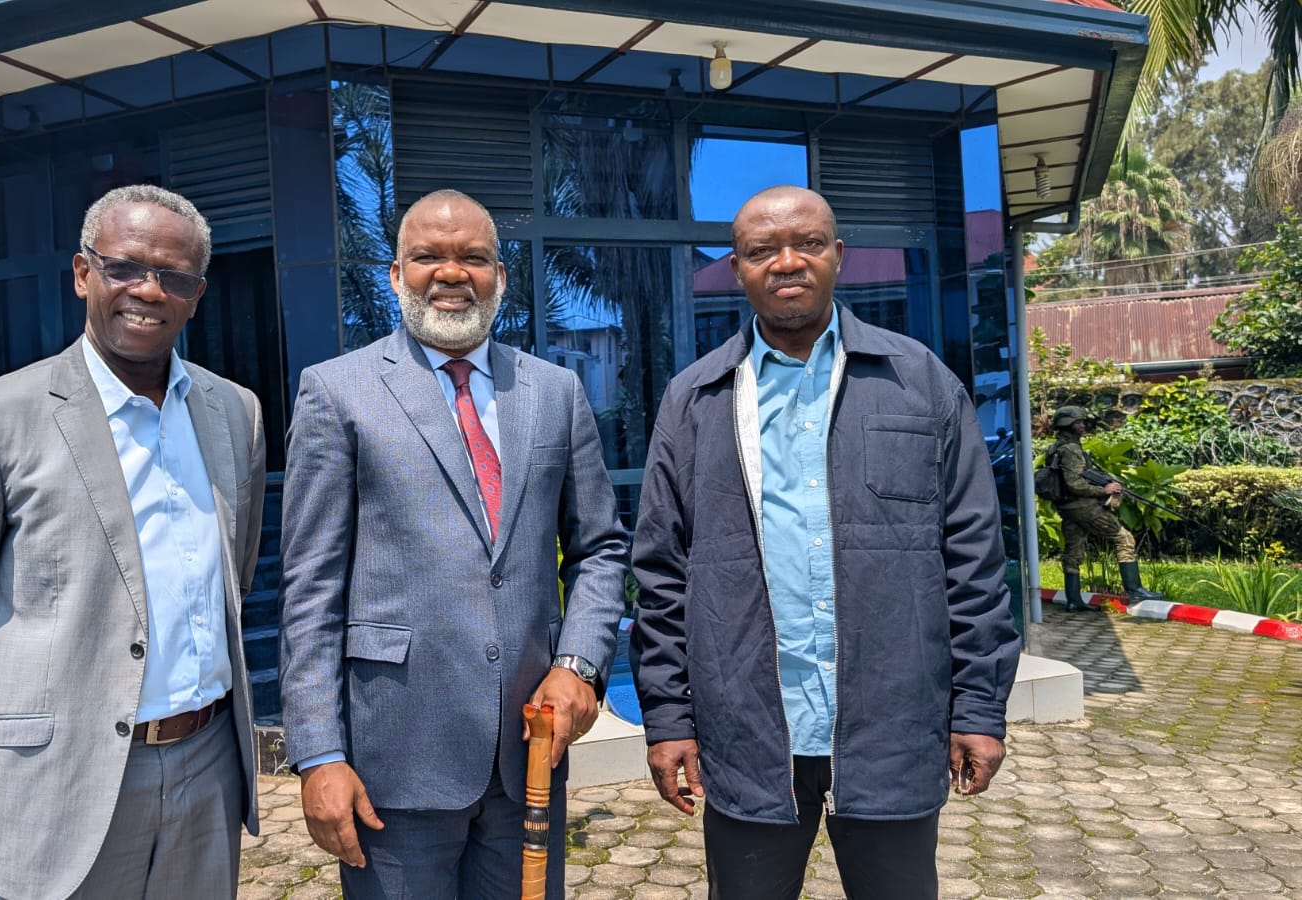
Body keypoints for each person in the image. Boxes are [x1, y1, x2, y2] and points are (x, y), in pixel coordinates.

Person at [630, 185, 1021, 900]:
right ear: (737, 270)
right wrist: (667, 717)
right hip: (749, 737)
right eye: (762, 250)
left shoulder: (919, 382)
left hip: (891, 729)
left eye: (807, 243)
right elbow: (660, 573)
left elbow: (973, 558)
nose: (787, 262)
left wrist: (978, 707)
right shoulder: (695, 399)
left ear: (838, 255)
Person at [0, 185, 265, 899]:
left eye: (174, 277)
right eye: (124, 267)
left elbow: (232, 580)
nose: (148, 291)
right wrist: (46, 707)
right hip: (59, 780)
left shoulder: (234, 413)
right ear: (83, 273)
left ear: (196, 295)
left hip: (208, 766)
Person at [278, 188, 628, 899]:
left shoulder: (555, 392)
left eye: (472, 256)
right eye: (427, 256)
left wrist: (580, 665)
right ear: (394, 274)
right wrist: (318, 752)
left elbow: (600, 549)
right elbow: (311, 587)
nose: (450, 272)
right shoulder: (336, 392)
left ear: (500, 274)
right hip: (394, 761)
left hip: (529, 752)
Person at [1047, 405, 1165, 610]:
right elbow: (1074, 483)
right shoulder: (1071, 450)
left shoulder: (1056, 447)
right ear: (1068, 424)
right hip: (1084, 507)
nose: (1083, 425)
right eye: (1079, 422)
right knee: (1124, 538)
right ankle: (1135, 590)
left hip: (1068, 508)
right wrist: (1104, 490)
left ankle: (1074, 601)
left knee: (1073, 552)